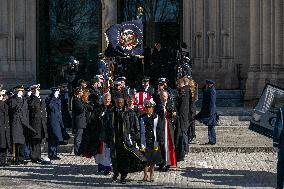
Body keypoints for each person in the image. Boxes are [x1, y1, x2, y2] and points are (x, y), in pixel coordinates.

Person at [9, 85, 36, 164]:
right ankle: (16, 159)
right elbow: (12, 108)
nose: (21, 92)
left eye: (22, 91)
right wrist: (15, 97)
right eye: (20, 91)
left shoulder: (24, 100)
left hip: (23, 123)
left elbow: (26, 111)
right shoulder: (13, 99)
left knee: (22, 141)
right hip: (16, 123)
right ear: (17, 91)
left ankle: (21, 158)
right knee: (16, 141)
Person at [139, 99, 162, 182]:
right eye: (147, 107)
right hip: (144, 141)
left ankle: (152, 174)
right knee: (144, 159)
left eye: (150, 107)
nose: (148, 109)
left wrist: (161, 140)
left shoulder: (156, 117)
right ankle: (145, 175)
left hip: (154, 141)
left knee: (153, 159)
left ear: (152, 108)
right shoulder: (141, 117)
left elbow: (159, 129)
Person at [155, 91, 177, 171]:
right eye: (161, 96)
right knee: (161, 144)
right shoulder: (158, 105)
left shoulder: (171, 104)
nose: (163, 97)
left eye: (164, 96)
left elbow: (174, 114)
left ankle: (168, 163)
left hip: (169, 126)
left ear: (167, 96)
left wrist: (172, 114)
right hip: (161, 126)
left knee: (168, 145)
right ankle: (161, 162)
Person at [27, 84, 48, 163]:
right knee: (34, 141)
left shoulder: (40, 98)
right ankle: (33, 157)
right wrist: (35, 97)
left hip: (41, 123)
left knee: (39, 141)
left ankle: (38, 156)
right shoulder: (31, 99)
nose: (37, 91)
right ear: (32, 91)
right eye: (35, 90)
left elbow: (43, 110)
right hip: (34, 124)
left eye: (38, 90)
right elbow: (31, 107)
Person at [195, 79, 218, 145]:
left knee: (211, 126)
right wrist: (204, 87)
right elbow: (204, 92)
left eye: (207, 84)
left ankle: (212, 140)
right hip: (207, 110)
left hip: (210, 111)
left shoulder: (212, 91)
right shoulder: (209, 90)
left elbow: (212, 102)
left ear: (210, 84)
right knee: (210, 126)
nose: (207, 85)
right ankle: (211, 140)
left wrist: (211, 111)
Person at [95, 93, 113, 175]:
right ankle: (101, 166)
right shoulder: (99, 108)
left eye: (108, 99)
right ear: (103, 99)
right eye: (106, 99)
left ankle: (107, 168)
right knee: (100, 152)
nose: (107, 101)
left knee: (107, 152)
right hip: (99, 132)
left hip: (108, 133)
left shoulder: (112, 108)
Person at [46, 87, 66, 160]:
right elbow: (50, 107)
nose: (58, 93)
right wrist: (53, 97)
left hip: (58, 120)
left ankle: (54, 153)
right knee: (52, 137)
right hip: (52, 120)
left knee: (56, 137)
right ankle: (51, 154)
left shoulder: (58, 99)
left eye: (58, 92)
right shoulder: (49, 99)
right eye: (56, 92)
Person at [175, 78, 192, 162]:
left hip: (183, 116)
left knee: (183, 133)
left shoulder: (184, 91)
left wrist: (178, 114)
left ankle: (185, 149)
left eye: (178, 85)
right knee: (184, 132)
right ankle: (185, 149)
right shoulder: (187, 90)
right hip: (185, 115)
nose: (177, 87)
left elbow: (183, 106)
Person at [72, 87, 87, 156]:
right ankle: (77, 151)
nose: (82, 93)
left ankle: (80, 150)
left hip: (81, 121)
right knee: (78, 137)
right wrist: (85, 105)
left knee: (80, 137)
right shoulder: (76, 100)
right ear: (78, 92)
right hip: (79, 121)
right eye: (81, 92)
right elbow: (80, 109)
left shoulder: (79, 99)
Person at [273, 107, 284, 189]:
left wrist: (275, 143)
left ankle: (279, 186)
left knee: (281, 164)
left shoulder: (281, 110)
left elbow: (278, 128)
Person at [0, 90, 11, 166]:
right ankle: (1, 161)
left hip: (5, 127)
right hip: (1, 127)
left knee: (4, 145)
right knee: (1, 144)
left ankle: (3, 161)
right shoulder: (1, 104)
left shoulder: (4, 104)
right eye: (1, 96)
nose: (3, 97)